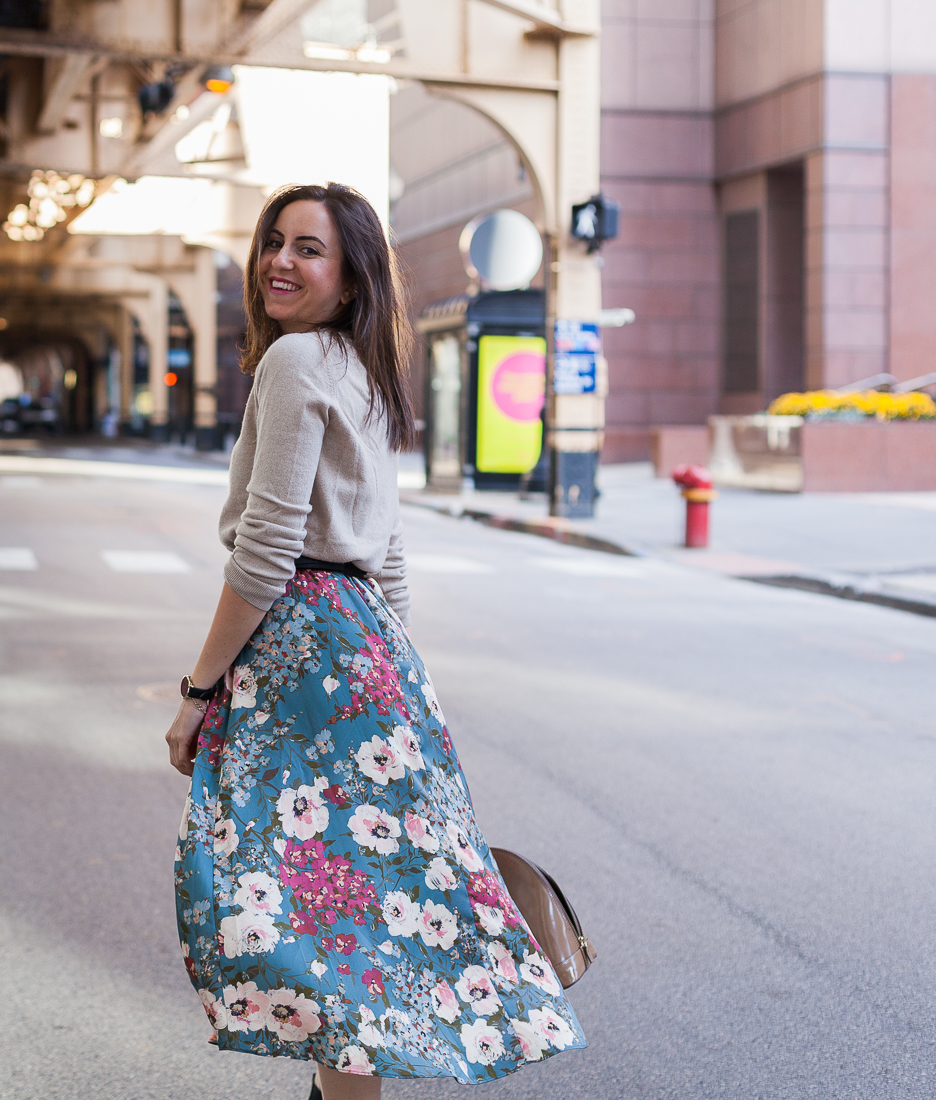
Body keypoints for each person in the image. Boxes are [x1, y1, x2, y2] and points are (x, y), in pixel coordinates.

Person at [166, 183, 585, 1100]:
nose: (281, 260)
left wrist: (200, 691)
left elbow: (270, 550)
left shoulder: (294, 365)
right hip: (371, 654)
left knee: (308, 917)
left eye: (308, 249)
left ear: (352, 279)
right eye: (274, 242)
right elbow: (388, 555)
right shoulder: (362, 370)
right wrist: (397, 676)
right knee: (361, 919)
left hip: (303, 653)